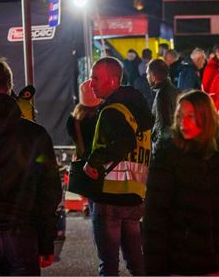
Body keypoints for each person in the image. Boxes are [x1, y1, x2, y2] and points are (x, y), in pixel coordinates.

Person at [142, 91, 219, 275]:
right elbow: (155, 221)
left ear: (205, 117)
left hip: (216, 266)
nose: (183, 123)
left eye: (190, 117)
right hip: (179, 267)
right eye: (179, 117)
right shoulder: (167, 157)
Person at [0, 58, 62, 275]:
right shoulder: (35, 134)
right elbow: (49, 192)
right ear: (9, 86)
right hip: (23, 232)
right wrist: (47, 241)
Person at [83, 57, 154, 276]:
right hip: (134, 198)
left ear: (113, 81)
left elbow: (125, 142)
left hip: (109, 199)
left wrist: (93, 161)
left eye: (96, 78)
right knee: (136, 263)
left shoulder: (112, 112)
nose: (91, 83)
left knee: (109, 266)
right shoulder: (139, 113)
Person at [67, 80, 102, 215]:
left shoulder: (73, 121)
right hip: (102, 165)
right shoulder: (103, 116)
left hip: (83, 164)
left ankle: (88, 205)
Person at [147, 59, 180, 150]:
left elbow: (163, 126)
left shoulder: (162, 94)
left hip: (165, 145)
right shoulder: (173, 89)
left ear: (153, 76)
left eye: (148, 74)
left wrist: (158, 148)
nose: (147, 77)